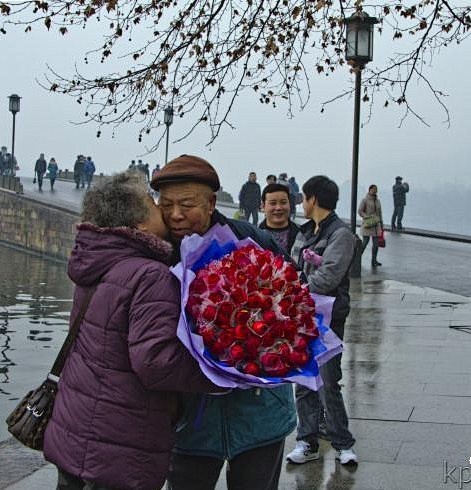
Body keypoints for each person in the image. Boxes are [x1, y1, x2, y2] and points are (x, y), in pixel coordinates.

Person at [43, 171, 223, 490]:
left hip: (76, 430)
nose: (164, 211)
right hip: (119, 443)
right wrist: (221, 376)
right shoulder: (148, 274)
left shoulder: (96, 262)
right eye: (153, 205)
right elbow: (155, 362)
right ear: (139, 225)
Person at [151, 155, 296, 490]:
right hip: (190, 418)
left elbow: (293, 301)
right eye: (167, 204)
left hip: (260, 412)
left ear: (212, 202)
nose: (175, 214)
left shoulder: (250, 240)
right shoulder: (156, 252)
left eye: (187, 204)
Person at [287, 175, 358, 466]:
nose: (301, 204)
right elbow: (293, 263)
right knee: (304, 381)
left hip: (328, 318)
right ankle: (307, 440)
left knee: (328, 381)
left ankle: (343, 443)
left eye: (303, 198)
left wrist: (299, 288)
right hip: (303, 316)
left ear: (313, 199)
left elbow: (329, 276)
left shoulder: (341, 234)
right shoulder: (306, 231)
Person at [259, 183, 299, 255]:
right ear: (263, 206)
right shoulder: (255, 236)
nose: (278, 208)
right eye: (273, 203)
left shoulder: (302, 235)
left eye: (283, 203)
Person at [358, 184, 384, 267]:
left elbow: (380, 213)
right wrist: (367, 216)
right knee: (365, 242)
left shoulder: (377, 201)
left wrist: (381, 224)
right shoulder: (365, 200)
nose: (375, 191)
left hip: (376, 225)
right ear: (369, 190)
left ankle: (374, 260)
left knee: (376, 244)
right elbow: (360, 211)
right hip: (368, 224)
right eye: (373, 189)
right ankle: (357, 259)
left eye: (376, 189)